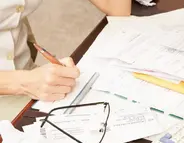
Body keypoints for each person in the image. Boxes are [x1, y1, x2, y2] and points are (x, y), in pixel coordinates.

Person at [0, 0, 131, 101]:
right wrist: (23, 82)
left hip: (27, 75)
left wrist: (28, 81)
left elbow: (118, 9)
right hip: (15, 87)